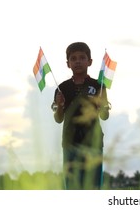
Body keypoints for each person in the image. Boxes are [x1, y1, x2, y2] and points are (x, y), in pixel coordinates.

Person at [51, 42, 110, 190]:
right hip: (70, 143)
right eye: (73, 58)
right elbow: (58, 119)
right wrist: (59, 105)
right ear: (68, 64)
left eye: (82, 57)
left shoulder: (98, 85)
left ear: (89, 61)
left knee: (94, 186)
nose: (78, 61)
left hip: (94, 143)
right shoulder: (62, 88)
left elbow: (104, 116)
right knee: (72, 187)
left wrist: (101, 105)